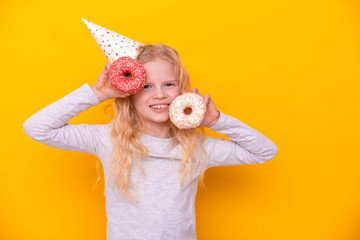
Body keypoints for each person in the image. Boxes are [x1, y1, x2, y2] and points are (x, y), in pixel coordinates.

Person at [23, 43, 278, 240]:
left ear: (181, 90)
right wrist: (96, 93)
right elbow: (37, 128)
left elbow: (264, 151)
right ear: (129, 93)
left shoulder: (196, 148)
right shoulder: (107, 139)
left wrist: (216, 121)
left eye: (168, 84)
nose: (159, 94)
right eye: (146, 86)